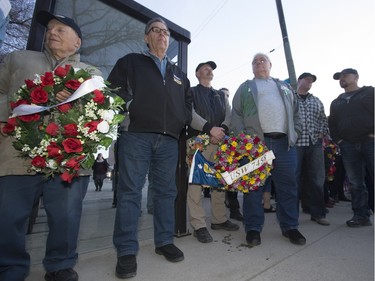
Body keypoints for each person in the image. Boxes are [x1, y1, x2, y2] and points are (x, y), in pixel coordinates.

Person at [0, 11, 100, 281]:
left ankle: (60, 265)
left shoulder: (90, 73)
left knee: (66, 218)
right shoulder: (18, 59)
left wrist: (75, 99)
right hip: (17, 152)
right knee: (8, 216)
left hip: (68, 159)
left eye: (61, 29)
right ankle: (10, 267)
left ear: (77, 42)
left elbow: (101, 109)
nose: (52, 32)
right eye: (50, 29)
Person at [107, 17, 192, 278]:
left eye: (165, 32)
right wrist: (130, 109)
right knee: (130, 192)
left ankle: (164, 241)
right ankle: (126, 251)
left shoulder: (179, 74)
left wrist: (181, 122)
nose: (161, 35)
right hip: (136, 135)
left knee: (166, 192)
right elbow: (113, 93)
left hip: (168, 140)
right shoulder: (131, 62)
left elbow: (187, 106)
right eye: (155, 31)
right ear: (146, 37)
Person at [231, 52, 306, 246]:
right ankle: (253, 229)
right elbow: (236, 115)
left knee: (288, 187)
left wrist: (295, 133)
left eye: (262, 60)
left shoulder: (284, 86)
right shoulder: (246, 87)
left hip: (284, 144)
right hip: (256, 145)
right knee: (254, 189)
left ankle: (290, 227)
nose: (258, 62)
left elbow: (296, 113)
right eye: (254, 61)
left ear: (270, 64)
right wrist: (244, 141)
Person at [187, 62, 239, 244]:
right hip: (199, 142)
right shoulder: (191, 92)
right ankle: (199, 225)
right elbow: (189, 114)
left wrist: (222, 129)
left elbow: (230, 115)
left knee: (219, 181)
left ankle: (219, 219)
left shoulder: (220, 95)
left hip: (220, 142)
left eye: (211, 68)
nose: (209, 69)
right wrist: (210, 129)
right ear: (197, 73)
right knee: (196, 183)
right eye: (205, 67)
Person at [328, 68, 374, 227]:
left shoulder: (369, 93)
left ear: (356, 77)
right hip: (348, 146)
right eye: (339, 77)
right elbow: (332, 124)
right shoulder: (336, 102)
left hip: (370, 142)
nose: (342, 78)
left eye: (345, 75)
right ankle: (361, 215)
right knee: (355, 183)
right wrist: (339, 140)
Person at [295, 72, 330, 226]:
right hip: (295, 143)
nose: (309, 82)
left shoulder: (316, 101)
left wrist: (322, 132)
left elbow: (323, 119)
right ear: (299, 80)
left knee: (317, 178)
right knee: (293, 179)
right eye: (307, 79)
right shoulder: (289, 98)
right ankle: (291, 215)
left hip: (315, 143)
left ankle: (318, 213)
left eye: (311, 80)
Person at [220, 87, 243, 221]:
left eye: (227, 95)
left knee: (232, 179)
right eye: (223, 95)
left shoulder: (233, 111)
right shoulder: (216, 108)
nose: (225, 97)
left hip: (230, 150)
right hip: (215, 146)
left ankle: (234, 209)